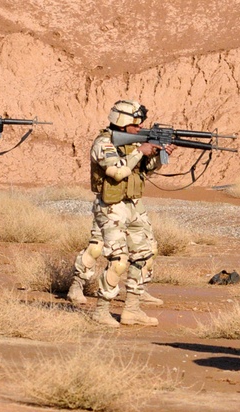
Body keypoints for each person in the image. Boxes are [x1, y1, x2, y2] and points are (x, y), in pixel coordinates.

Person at [87, 100, 173, 327]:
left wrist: (156, 155)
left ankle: (132, 310)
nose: (141, 126)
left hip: (134, 205)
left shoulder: (133, 144)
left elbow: (145, 170)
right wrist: (139, 151)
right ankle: (101, 311)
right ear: (122, 121)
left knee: (146, 253)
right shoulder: (104, 143)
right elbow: (117, 172)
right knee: (118, 260)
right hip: (112, 207)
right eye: (136, 122)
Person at [67, 214, 164, 306]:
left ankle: (139, 289)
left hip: (134, 203)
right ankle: (76, 285)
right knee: (95, 247)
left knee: (149, 249)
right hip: (110, 203)